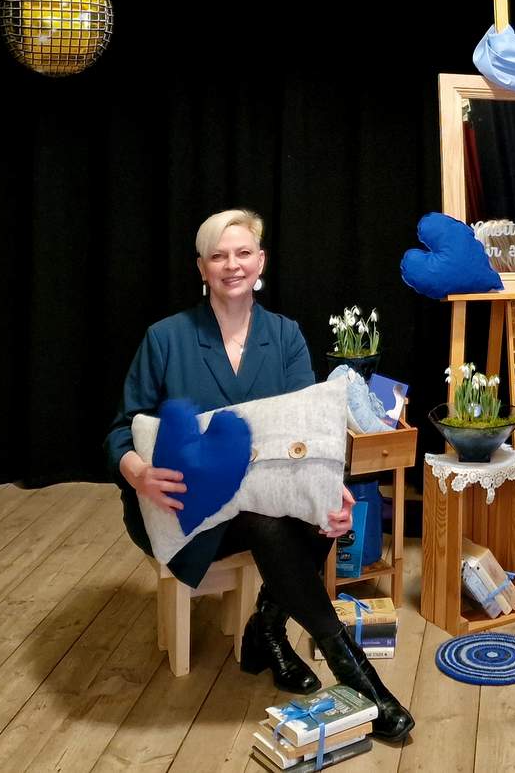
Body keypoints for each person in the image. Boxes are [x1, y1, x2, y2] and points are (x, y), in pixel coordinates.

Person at [104, 209, 413, 741]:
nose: (232, 265)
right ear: (202, 268)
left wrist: (332, 491)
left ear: (261, 262)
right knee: (268, 522)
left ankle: (264, 633)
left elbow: (309, 435)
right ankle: (356, 674)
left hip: (263, 502)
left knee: (318, 513)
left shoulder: (285, 336)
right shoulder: (165, 338)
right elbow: (118, 431)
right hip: (184, 510)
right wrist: (139, 474)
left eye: (243, 253)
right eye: (219, 256)